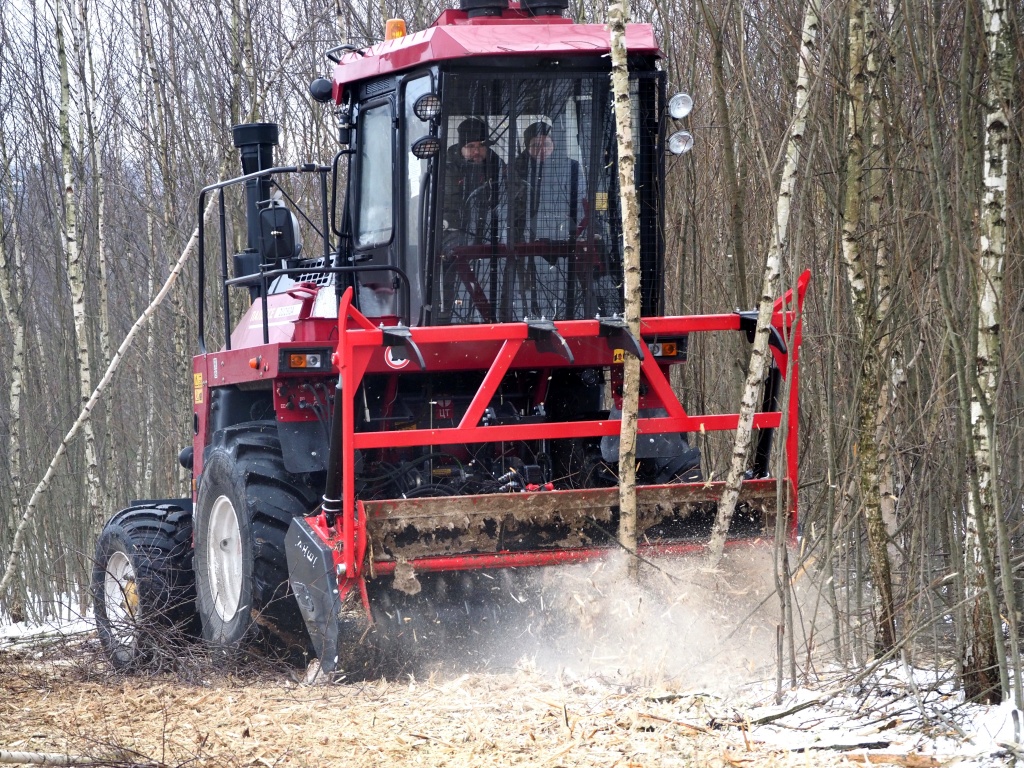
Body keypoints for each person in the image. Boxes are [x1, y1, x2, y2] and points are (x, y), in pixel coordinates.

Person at [513, 121, 586, 243]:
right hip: (523, 241)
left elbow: (582, 201)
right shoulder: (516, 168)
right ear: (527, 146)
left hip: (565, 238)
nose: (542, 150)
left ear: (554, 144)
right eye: (535, 145)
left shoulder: (571, 167)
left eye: (546, 144)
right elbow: (507, 206)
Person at [442, 117, 506, 245]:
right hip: (454, 231)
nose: (477, 151)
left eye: (481, 145)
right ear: (461, 148)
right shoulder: (447, 169)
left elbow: (513, 193)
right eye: (470, 146)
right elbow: (448, 203)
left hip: (491, 230)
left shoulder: (497, 164)